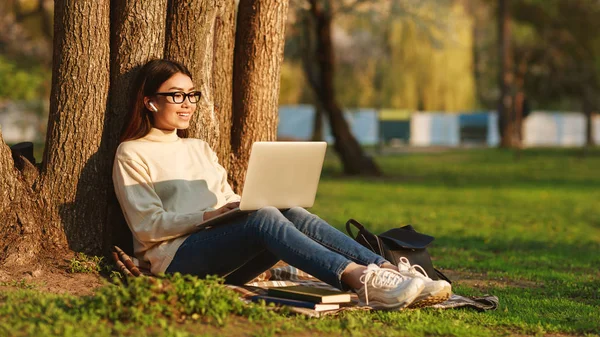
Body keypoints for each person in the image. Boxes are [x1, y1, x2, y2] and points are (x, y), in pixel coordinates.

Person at [112, 59, 451, 310]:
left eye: (192, 95)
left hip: (223, 249)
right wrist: (209, 215)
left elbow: (227, 198)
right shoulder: (132, 153)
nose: (187, 104)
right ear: (150, 101)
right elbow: (147, 227)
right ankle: (360, 279)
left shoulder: (197, 147)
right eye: (176, 96)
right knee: (263, 218)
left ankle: (388, 271)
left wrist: (240, 204)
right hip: (176, 260)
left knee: (286, 209)